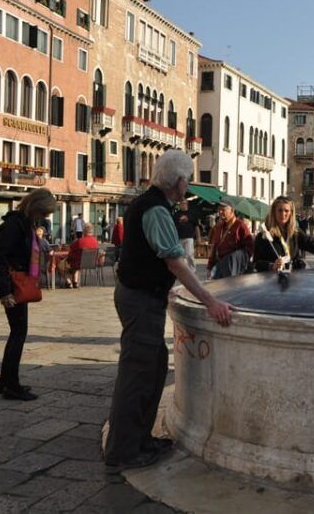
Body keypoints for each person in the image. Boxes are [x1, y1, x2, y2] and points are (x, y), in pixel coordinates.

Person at [106, 149, 233, 474]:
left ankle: (140, 439)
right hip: (141, 300)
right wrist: (210, 300)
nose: (188, 184)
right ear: (177, 180)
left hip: (139, 296)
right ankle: (123, 451)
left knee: (153, 367)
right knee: (138, 374)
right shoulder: (157, 211)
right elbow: (174, 261)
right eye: (187, 178)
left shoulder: (150, 204)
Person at [0, 188, 58, 401]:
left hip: (19, 283)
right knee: (18, 334)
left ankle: (6, 381)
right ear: (35, 208)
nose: (46, 217)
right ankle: (10, 385)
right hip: (12, 285)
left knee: (18, 332)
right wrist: (4, 291)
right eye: (44, 213)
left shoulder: (25, 224)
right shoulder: (13, 227)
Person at [253, 196, 314, 272]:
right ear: (274, 212)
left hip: (293, 278)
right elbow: (255, 263)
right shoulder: (263, 235)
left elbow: (313, 244)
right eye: (280, 210)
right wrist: (271, 265)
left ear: (291, 213)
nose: (283, 214)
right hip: (271, 280)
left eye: (286, 211)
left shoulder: (295, 232)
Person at [207, 200, 252, 279]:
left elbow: (249, 249)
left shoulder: (240, 226)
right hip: (219, 266)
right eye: (219, 209)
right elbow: (214, 248)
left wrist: (237, 260)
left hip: (233, 269)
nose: (220, 212)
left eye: (223, 210)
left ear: (232, 210)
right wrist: (209, 267)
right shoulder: (218, 227)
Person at [63, 222, 100, 289]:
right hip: (92, 263)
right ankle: (75, 282)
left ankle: (68, 281)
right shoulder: (95, 241)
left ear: (84, 231)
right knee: (76, 264)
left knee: (62, 264)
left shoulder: (80, 241)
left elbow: (71, 249)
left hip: (78, 263)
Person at [173, 201, 199, 271]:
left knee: (189, 254)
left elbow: (196, 226)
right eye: (181, 204)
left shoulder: (192, 214)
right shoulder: (176, 214)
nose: (182, 205)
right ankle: (183, 270)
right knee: (180, 256)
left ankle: (193, 270)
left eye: (184, 203)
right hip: (179, 238)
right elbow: (173, 226)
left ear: (187, 204)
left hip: (189, 237)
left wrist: (198, 237)